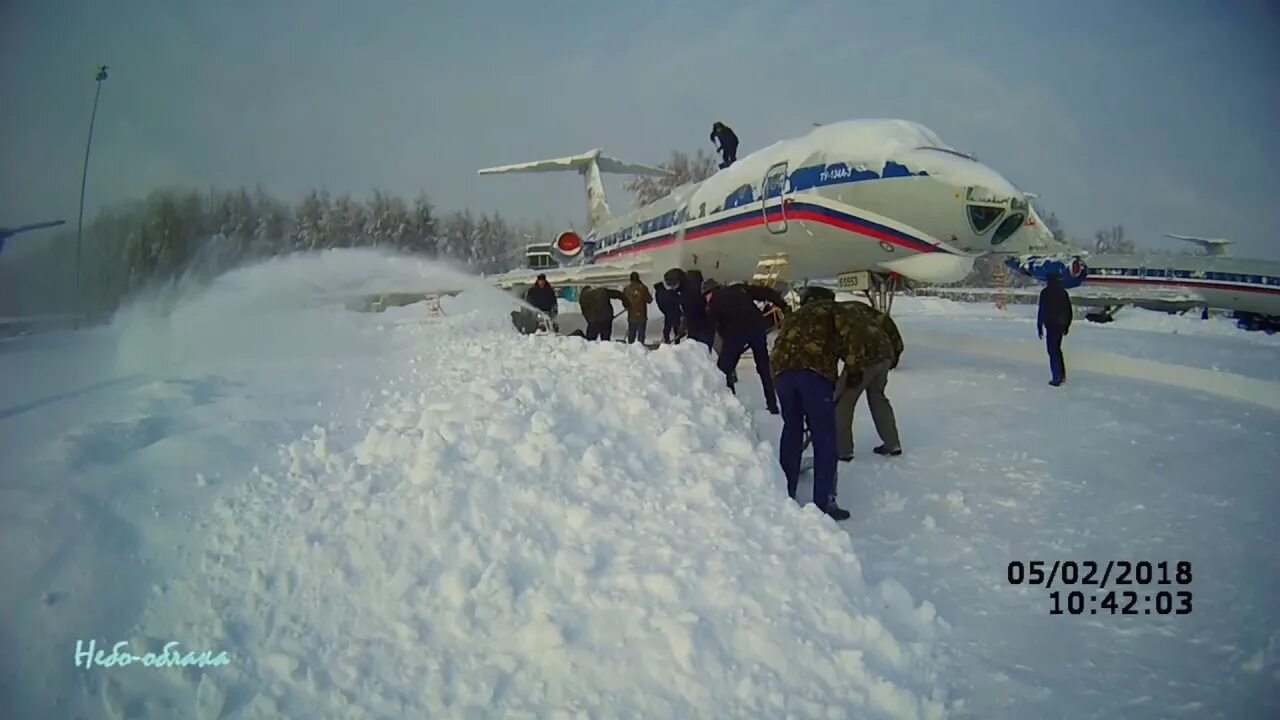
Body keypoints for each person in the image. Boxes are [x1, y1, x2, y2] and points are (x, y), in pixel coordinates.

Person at [771, 290, 895, 522]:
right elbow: (852, 335)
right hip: (814, 374)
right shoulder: (833, 309)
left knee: (792, 430)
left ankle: (786, 491)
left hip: (782, 373)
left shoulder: (796, 315)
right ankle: (824, 501)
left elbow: (779, 342)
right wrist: (854, 367)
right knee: (824, 436)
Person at [831, 297, 903, 459]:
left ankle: (843, 450)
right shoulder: (856, 306)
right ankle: (893, 443)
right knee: (878, 397)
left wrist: (848, 372)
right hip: (885, 352)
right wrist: (896, 352)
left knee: (843, 403)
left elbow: (835, 347)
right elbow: (886, 321)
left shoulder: (831, 314)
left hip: (862, 356)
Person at [703, 278, 789, 414]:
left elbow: (718, 328)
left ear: (709, 293)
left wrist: (730, 344)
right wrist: (783, 305)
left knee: (724, 370)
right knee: (764, 368)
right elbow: (765, 292)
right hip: (757, 329)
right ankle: (772, 405)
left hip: (735, 334)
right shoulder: (739, 288)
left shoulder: (712, 305)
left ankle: (730, 403)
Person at [1037, 272, 1073, 386]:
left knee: (1052, 351)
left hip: (1051, 324)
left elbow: (1042, 310)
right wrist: (1067, 325)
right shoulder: (1063, 293)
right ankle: (1061, 375)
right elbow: (1069, 310)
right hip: (1061, 325)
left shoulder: (1045, 293)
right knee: (1057, 349)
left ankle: (1057, 377)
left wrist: (1039, 326)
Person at [676, 268, 714, 348]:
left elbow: (689, 311)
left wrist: (683, 328)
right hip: (705, 324)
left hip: (697, 326)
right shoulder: (698, 286)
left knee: (697, 350)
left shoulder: (688, 292)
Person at [622, 271, 653, 344]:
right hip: (642, 314)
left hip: (631, 315)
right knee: (641, 333)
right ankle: (640, 347)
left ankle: (630, 346)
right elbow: (649, 300)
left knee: (632, 332)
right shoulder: (643, 288)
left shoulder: (626, 289)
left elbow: (624, 303)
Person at [654, 278, 683, 343]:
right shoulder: (670, 292)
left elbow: (660, 305)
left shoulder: (658, 294)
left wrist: (665, 312)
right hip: (675, 311)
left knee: (667, 327)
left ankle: (666, 340)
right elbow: (679, 299)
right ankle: (677, 341)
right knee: (676, 327)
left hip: (667, 313)